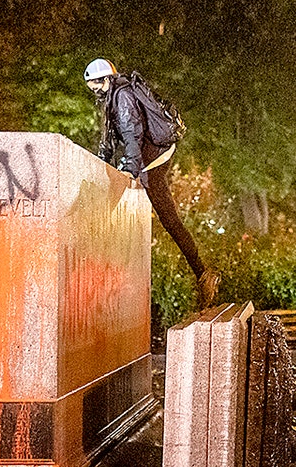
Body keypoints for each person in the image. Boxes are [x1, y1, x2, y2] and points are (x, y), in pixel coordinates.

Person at [84, 58, 220, 307]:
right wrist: (100, 162)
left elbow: (132, 133)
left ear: (106, 80)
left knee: (168, 218)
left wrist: (131, 170)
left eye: (96, 87)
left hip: (153, 158)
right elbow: (109, 140)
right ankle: (201, 273)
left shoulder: (121, 97)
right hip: (150, 157)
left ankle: (203, 274)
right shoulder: (114, 96)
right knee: (166, 218)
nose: (96, 92)